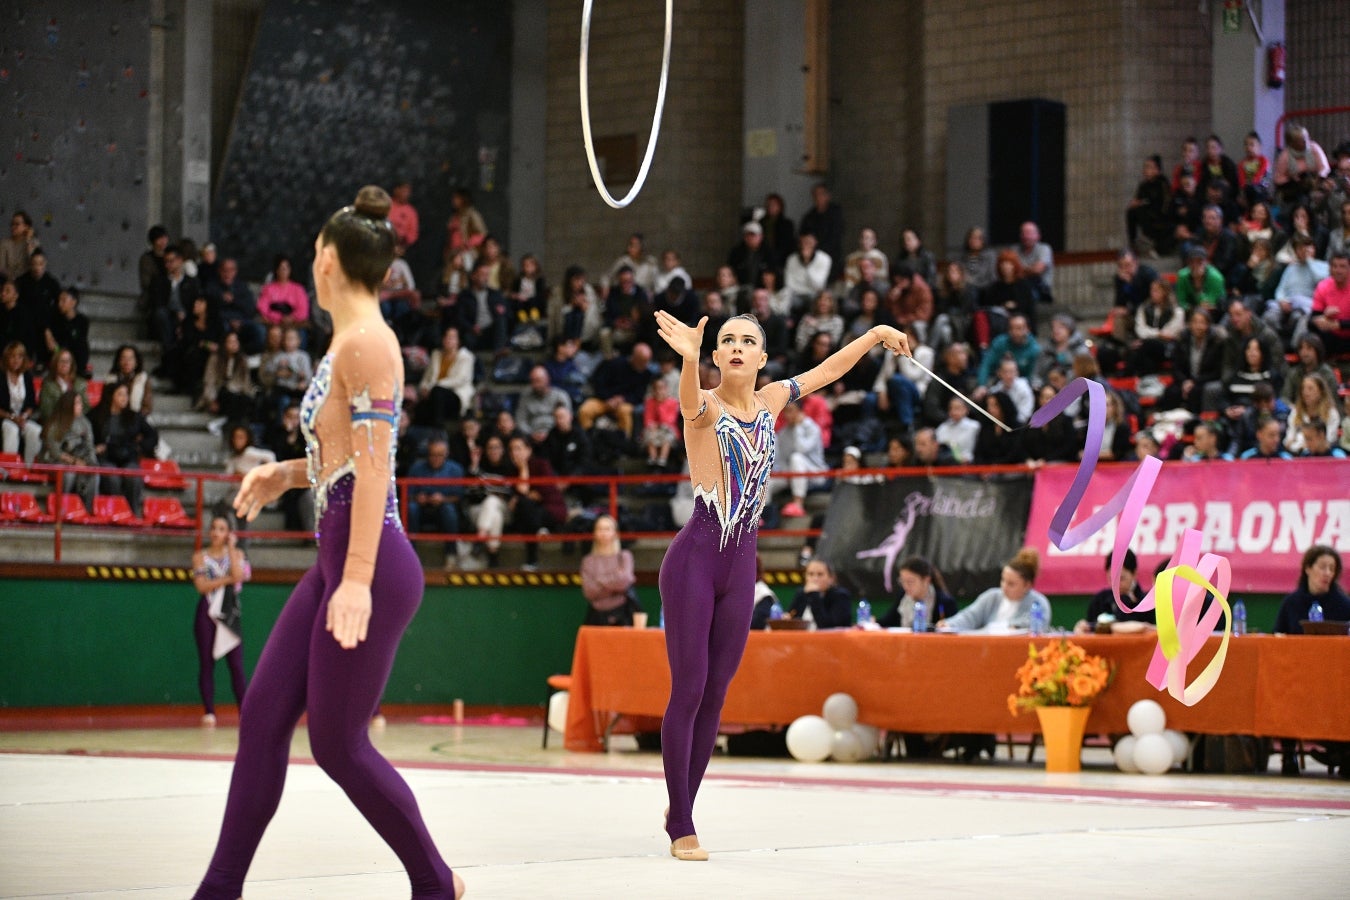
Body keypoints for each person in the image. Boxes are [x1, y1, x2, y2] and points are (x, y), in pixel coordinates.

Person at [195, 188, 462, 898]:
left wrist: (355, 579)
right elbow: (342, 458)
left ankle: (436, 884)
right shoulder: (346, 342)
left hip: (369, 565)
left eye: (316, 253)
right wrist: (286, 474)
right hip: (338, 556)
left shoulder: (370, 344)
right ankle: (217, 890)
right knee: (261, 721)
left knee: (339, 747)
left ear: (331, 264)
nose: (312, 264)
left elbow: (377, 467)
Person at [651, 306, 909, 860]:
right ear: (716, 356)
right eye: (727, 341)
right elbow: (688, 403)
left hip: (742, 565)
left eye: (748, 340)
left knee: (717, 694)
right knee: (689, 688)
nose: (738, 347)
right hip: (694, 560)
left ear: (762, 359)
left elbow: (826, 372)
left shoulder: (770, 401)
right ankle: (682, 827)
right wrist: (689, 362)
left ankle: (681, 805)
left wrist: (875, 334)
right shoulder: (706, 405)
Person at [191, 514, 250, 726]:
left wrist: (233, 549)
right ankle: (209, 711)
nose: (216, 533)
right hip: (206, 610)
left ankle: (244, 711)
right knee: (206, 662)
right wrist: (225, 580)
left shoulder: (237, 553)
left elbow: (238, 576)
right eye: (214, 528)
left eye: (221, 529)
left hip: (230, 612)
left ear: (228, 534)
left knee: (236, 664)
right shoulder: (200, 557)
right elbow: (201, 586)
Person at [939, 548, 1048, 632]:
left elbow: (1035, 626)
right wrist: (950, 624)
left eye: (1011, 584)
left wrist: (1014, 628)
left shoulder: (1039, 603)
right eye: (1003, 580)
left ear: (1027, 585)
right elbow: (970, 616)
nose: (1004, 586)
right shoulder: (992, 596)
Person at [91, 381, 156, 517]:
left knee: (134, 476)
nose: (124, 398)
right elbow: (87, 437)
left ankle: (132, 513)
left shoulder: (134, 416)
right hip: (106, 457)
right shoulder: (96, 415)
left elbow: (152, 435)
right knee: (111, 477)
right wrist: (95, 448)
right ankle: (115, 512)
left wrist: (140, 447)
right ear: (111, 396)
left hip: (128, 456)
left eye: (126, 394)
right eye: (120, 394)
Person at [407, 438, 465, 570]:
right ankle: (411, 556)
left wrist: (443, 499)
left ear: (446, 454)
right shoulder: (417, 468)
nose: (436, 458)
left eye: (440, 455)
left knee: (449, 510)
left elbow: (459, 496)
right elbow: (407, 494)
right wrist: (417, 497)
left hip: (443, 509)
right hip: (421, 509)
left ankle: (451, 555)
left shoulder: (455, 469)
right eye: (432, 454)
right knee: (411, 508)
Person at [38, 390, 98, 511]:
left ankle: (87, 509)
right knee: (69, 474)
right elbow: (55, 452)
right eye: (77, 403)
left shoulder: (85, 423)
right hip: (54, 460)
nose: (81, 406)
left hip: (80, 459)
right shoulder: (55, 424)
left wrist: (89, 464)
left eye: (80, 402)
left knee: (94, 473)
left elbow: (89, 446)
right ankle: (61, 508)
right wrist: (75, 462)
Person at [1073, 550, 1155, 634]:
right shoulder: (1100, 600)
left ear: (1134, 574)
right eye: (1111, 578)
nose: (1116, 584)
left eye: (1121, 578)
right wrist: (1083, 627)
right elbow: (1090, 627)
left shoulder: (1147, 603)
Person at [580, 514, 638, 625]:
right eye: (600, 529)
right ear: (595, 533)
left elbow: (624, 582)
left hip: (623, 616)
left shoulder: (624, 556)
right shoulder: (588, 561)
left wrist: (599, 581)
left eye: (607, 529)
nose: (603, 533)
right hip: (596, 617)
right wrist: (614, 580)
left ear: (615, 533)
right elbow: (589, 592)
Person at [876, 556, 957, 630]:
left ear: (926, 580)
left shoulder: (945, 602)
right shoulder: (904, 596)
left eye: (910, 582)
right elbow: (886, 621)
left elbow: (951, 630)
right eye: (902, 581)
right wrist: (874, 623)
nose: (905, 586)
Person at [1, 341, 42, 463]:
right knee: (11, 429)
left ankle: (31, 468)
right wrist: (12, 417)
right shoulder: (1, 376)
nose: (16, 360)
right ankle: (9, 468)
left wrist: (24, 417)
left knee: (36, 431)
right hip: (4, 418)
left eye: (19, 356)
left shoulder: (27, 376)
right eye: (12, 356)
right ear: (6, 358)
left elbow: (31, 403)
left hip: (22, 418)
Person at [785, 559, 853, 628]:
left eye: (820, 574)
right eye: (810, 574)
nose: (815, 578)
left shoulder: (840, 596)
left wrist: (814, 595)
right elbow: (792, 616)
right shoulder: (801, 594)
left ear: (831, 578)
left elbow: (826, 626)